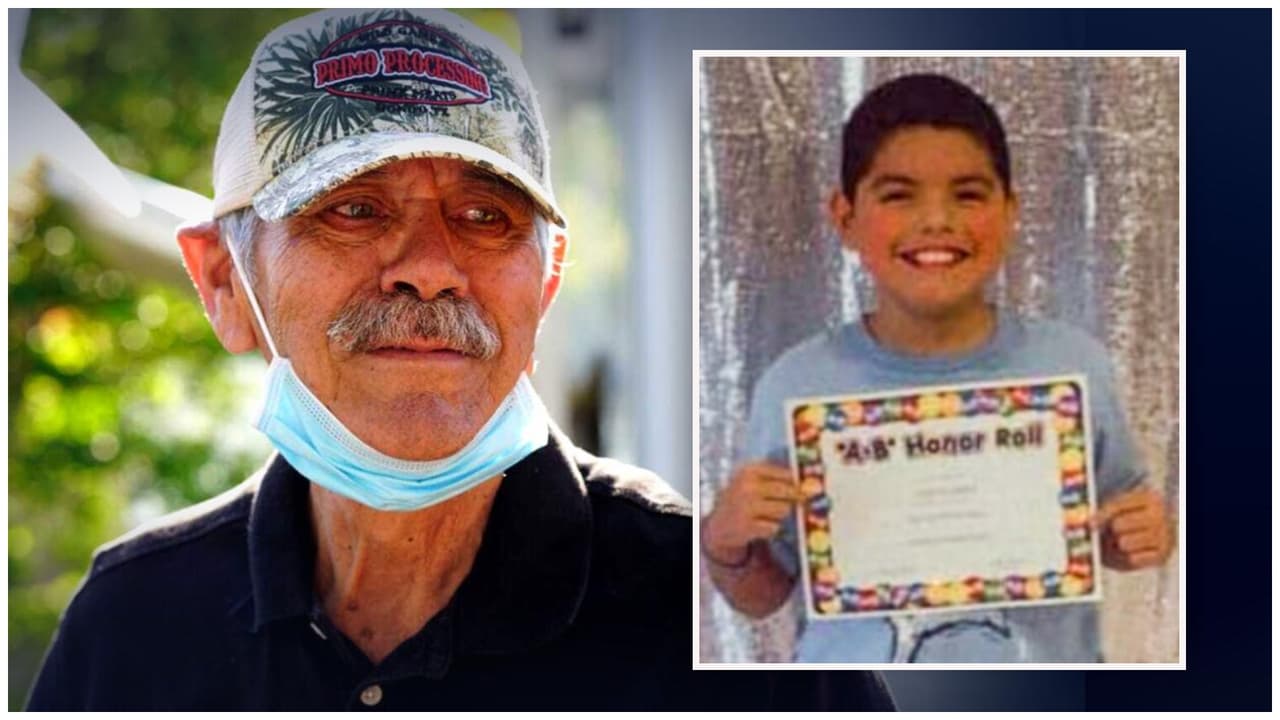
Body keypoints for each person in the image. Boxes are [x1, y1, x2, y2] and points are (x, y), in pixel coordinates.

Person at [27, 9, 894, 709]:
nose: (431, 269)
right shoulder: (133, 630)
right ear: (222, 280)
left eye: (486, 217)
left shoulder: (724, 621)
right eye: (353, 210)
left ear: (547, 280)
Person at [702, 73, 1174, 663]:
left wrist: (1143, 534)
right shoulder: (796, 385)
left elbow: (1118, 532)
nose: (936, 220)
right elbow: (764, 593)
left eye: (968, 194)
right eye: (899, 194)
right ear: (845, 217)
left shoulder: (1072, 367)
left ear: (1009, 211)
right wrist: (724, 541)